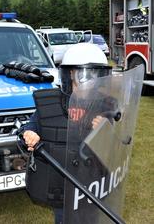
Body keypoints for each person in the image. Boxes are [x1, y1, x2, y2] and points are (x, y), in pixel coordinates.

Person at [19, 43, 114, 224]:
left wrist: (106, 131)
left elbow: (118, 146)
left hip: (92, 182)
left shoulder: (107, 106)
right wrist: (29, 133)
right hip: (61, 181)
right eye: (81, 72)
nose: (87, 78)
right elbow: (30, 126)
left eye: (94, 73)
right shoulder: (52, 104)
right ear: (70, 73)